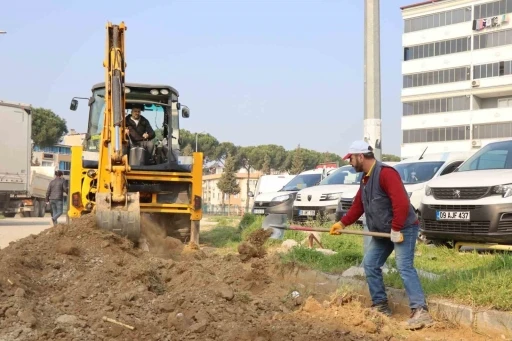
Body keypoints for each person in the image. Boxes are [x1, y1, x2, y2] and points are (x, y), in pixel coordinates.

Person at [330, 140, 434, 330]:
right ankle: (381, 306)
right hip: (383, 232)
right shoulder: (365, 179)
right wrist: (342, 223)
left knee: (404, 267)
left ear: (361, 156)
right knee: (370, 264)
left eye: (351, 158)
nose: (350, 162)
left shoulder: (386, 174)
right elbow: (358, 205)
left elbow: (401, 204)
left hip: (403, 228)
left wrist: (396, 228)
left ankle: (421, 312)